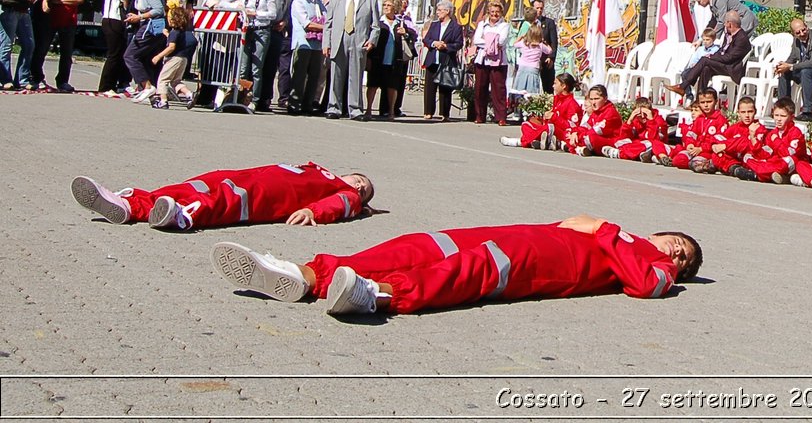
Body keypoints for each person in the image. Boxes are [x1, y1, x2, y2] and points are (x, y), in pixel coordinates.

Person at [210, 213, 701, 317]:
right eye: (678, 242)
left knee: (468, 272)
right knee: (419, 244)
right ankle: (305, 276)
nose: (677, 253)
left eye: (686, 258)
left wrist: (603, 229)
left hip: (540, 263)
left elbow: (646, 285)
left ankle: (377, 295)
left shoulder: (654, 265)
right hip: (519, 232)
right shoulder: (633, 237)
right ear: (661, 229)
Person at [72, 162, 374, 232]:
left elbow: (341, 205)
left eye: (364, 190)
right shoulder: (319, 169)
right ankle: (130, 205)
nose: (359, 187)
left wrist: (314, 213)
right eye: (359, 180)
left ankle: (181, 216)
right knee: (198, 185)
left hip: (268, 195)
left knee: (227, 202)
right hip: (249, 174)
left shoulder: (345, 193)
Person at [325, 0, 377, 120]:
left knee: (356, 76)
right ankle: (334, 107)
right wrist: (326, 43)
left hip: (358, 40)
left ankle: (355, 109)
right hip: (339, 40)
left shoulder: (370, 0)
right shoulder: (336, 1)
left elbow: (376, 25)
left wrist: (372, 40)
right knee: (336, 75)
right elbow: (328, 24)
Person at [235, 0, 286, 110]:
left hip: (261, 30)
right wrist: (238, 7)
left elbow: (273, 14)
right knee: (243, 67)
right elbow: (226, 0)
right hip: (246, 29)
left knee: (257, 67)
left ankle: (255, 100)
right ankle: (241, 96)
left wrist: (255, 13)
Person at [672, 10, 752, 98]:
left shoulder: (741, 38)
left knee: (704, 60)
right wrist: (712, 56)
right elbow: (722, 51)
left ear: (730, 24)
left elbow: (730, 57)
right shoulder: (729, 35)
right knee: (706, 68)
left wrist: (711, 56)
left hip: (733, 68)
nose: (724, 25)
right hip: (725, 65)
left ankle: (683, 86)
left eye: (725, 23)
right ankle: (699, 99)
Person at [121, 0, 168, 102]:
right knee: (144, 58)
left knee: (130, 55)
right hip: (146, 25)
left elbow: (159, 10)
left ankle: (147, 86)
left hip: (150, 27)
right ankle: (147, 89)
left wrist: (139, 17)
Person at [1, 0, 49, 90]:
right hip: (10, 10)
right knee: (6, 45)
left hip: (24, 12)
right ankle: (4, 79)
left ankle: (21, 79)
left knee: (29, 44)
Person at [364, 0, 416, 122]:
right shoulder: (378, 22)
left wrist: (406, 33)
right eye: (384, 5)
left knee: (392, 87)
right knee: (372, 85)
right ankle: (369, 109)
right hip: (377, 58)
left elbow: (412, 37)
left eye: (389, 5)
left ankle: (391, 111)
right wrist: (369, 58)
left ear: (395, 7)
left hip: (394, 60)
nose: (386, 7)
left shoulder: (400, 23)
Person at [773, 16, 812, 120]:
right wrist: (783, 66)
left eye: (803, 30)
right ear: (794, 34)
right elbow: (792, 57)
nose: (802, 33)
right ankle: (783, 107)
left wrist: (791, 66)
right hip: (806, 71)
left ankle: (808, 112)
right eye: (798, 32)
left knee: (805, 72)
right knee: (784, 73)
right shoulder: (796, 40)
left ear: (806, 26)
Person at [285, 0, 327, 115]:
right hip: (303, 43)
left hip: (317, 44)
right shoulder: (299, 1)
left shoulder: (318, 2)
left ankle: (308, 104)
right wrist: (327, 28)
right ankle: (294, 103)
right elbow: (306, 23)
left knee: (314, 75)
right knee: (299, 74)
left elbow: (326, 18)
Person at [739, 97, 807, 184]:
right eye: (776, 115)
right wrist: (753, 138)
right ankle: (771, 175)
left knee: (790, 160)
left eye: (783, 116)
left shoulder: (796, 133)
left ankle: (758, 175)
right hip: (775, 162)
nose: (778, 119)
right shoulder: (772, 133)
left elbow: (788, 154)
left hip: (791, 164)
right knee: (748, 156)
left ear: (791, 117)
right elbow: (766, 153)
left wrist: (776, 140)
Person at [506, 72, 582, 148]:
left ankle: (520, 142)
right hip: (551, 129)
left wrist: (554, 117)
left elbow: (573, 126)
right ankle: (541, 141)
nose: (553, 86)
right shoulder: (557, 99)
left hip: (563, 133)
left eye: (555, 84)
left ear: (563, 86)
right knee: (526, 125)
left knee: (549, 128)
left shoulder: (572, 104)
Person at [468, 0, 513, 126]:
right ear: (488, 12)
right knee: (480, 88)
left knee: (498, 90)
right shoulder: (482, 24)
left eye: (497, 12)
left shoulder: (505, 25)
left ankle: (501, 117)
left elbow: (502, 41)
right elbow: (476, 40)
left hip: (498, 61)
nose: (495, 14)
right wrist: (492, 41)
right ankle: (479, 115)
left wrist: (486, 40)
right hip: (482, 59)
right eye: (492, 12)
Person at [655, 89, 726, 168]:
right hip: (694, 150)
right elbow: (691, 135)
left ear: (716, 102)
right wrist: (690, 144)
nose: (706, 105)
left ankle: (706, 164)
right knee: (678, 160)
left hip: (707, 152)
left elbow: (719, 141)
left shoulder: (720, 120)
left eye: (709, 102)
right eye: (702, 102)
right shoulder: (699, 119)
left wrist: (701, 149)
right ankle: (672, 159)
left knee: (697, 162)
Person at [419, 0, 465, 121]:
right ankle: (428, 111)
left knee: (445, 88)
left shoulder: (456, 27)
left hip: (446, 60)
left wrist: (446, 46)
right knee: (429, 87)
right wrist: (434, 43)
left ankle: (445, 113)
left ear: (447, 11)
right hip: (432, 59)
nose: (437, 13)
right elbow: (426, 39)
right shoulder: (434, 25)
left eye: (440, 10)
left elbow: (458, 44)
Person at [697, 94, 762, 175]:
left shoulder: (759, 128)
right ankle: (734, 169)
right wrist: (715, 145)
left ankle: (725, 167)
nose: (747, 115)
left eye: (750, 112)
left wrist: (725, 146)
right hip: (734, 158)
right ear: (738, 113)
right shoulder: (735, 127)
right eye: (743, 112)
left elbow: (746, 144)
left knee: (743, 143)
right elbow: (718, 137)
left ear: (755, 112)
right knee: (717, 155)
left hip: (748, 159)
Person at [149, 3, 198, 108]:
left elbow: (171, 47)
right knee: (175, 81)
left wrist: (158, 56)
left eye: (169, 18)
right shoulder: (181, 31)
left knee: (163, 79)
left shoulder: (174, 32)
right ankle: (189, 94)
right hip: (183, 59)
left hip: (173, 59)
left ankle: (163, 101)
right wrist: (167, 35)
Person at [96, 0, 132, 95]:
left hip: (110, 19)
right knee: (114, 55)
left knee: (117, 53)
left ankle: (110, 84)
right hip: (114, 19)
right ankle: (106, 86)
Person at [561, 84, 624, 156]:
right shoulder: (596, 112)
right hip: (592, 136)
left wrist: (578, 136)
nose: (593, 103)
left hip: (609, 141)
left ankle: (573, 147)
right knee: (568, 132)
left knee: (591, 138)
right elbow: (586, 126)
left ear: (605, 99)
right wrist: (575, 132)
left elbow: (595, 132)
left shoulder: (611, 113)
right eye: (591, 99)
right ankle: (580, 148)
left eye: (596, 99)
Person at [605, 95, 669, 162]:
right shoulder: (636, 120)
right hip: (639, 146)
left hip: (657, 147)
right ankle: (640, 155)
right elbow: (624, 137)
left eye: (645, 113)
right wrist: (630, 120)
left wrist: (651, 121)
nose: (643, 116)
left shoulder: (659, 121)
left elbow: (655, 140)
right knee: (619, 141)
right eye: (639, 114)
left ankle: (621, 154)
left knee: (649, 143)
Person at [510, 19, 549, 97]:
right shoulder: (540, 45)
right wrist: (545, 43)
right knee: (531, 92)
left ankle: (518, 104)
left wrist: (521, 37)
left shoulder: (524, 43)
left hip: (522, 68)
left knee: (519, 90)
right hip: (533, 68)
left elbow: (514, 44)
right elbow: (549, 51)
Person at [528, 0, 559, 94]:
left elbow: (554, 41)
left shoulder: (549, 23)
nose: (539, 10)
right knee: (530, 86)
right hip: (531, 59)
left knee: (548, 86)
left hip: (545, 59)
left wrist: (551, 57)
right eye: (537, 8)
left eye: (541, 8)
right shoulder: (527, 23)